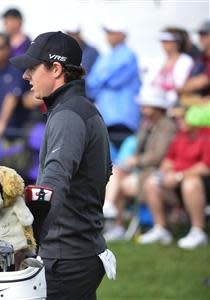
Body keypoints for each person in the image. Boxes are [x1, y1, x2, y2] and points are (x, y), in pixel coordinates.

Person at [10, 31, 113, 299]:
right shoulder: (81, 108)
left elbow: (52, 186)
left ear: (56, 69)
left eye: (32, 68)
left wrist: (25, 242)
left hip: (66, 260)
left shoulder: (67, 115)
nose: (25, 76)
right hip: (79, 253)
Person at [103, 87, 176, 241]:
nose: (142, 108)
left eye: (146, 105)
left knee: (122, 181)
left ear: (157, 107)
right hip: (141, 171)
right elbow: (137, 149)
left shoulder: (167, 126)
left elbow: (158, 156)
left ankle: (119, 222)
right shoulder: (146, 124)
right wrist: (132, 160)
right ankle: (113, 215)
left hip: (154, 173)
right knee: (115, 171)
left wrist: (137, 160)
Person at [138, 107, 209, 249]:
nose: (177, 120)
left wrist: (178, 176)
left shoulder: (206, 135)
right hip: (177, 184)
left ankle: (198, 231)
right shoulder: (180, 135)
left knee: (191, 183)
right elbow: (168, 161)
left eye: (181, 117)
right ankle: (161, 229)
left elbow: (205, 167)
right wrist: (165, 173)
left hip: (201, 186)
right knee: (152, 182)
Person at [87, 19, 141, 150]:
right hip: (106, 117)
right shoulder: (105, 56)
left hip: (124, 118)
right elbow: (90, 83)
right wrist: (103, 79)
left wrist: (101, 79)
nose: (109, 36)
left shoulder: (129, 55)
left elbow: (115, 80)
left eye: (113, 33)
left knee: (122, 160)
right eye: (108, 33)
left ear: (123, 35)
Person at [148, 27, 194, 107]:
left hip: (174, 103)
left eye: (167, 42)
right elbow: (149, 82)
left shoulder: (186, 61)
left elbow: (180, 86)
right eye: (163, 42)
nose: (164, 45)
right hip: (155, 103)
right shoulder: (159, 60)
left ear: (176, 43)